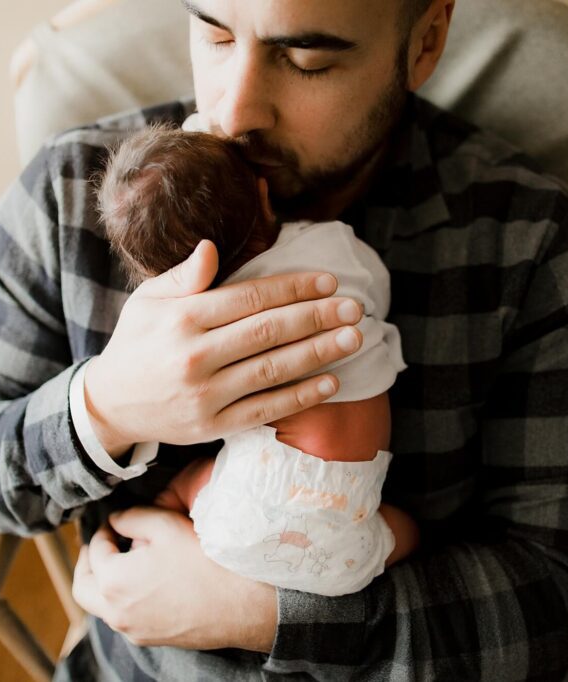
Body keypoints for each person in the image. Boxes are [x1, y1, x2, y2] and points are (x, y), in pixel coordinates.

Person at [0, 0, 568, 679]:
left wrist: (267, 615)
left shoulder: (530, 242)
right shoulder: (70, 198)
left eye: (305, 60)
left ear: (424, 42)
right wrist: (106, 408)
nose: (235, 111)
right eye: (213, 33)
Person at [95, 123, 419, 595]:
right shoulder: (333, 246)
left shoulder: (201, 327)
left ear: (161, 277)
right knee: (413, 532)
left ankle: (159, 510)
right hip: (351, 528)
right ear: (264, 196)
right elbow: (378, 288)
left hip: (239, 525)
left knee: (191, 481)